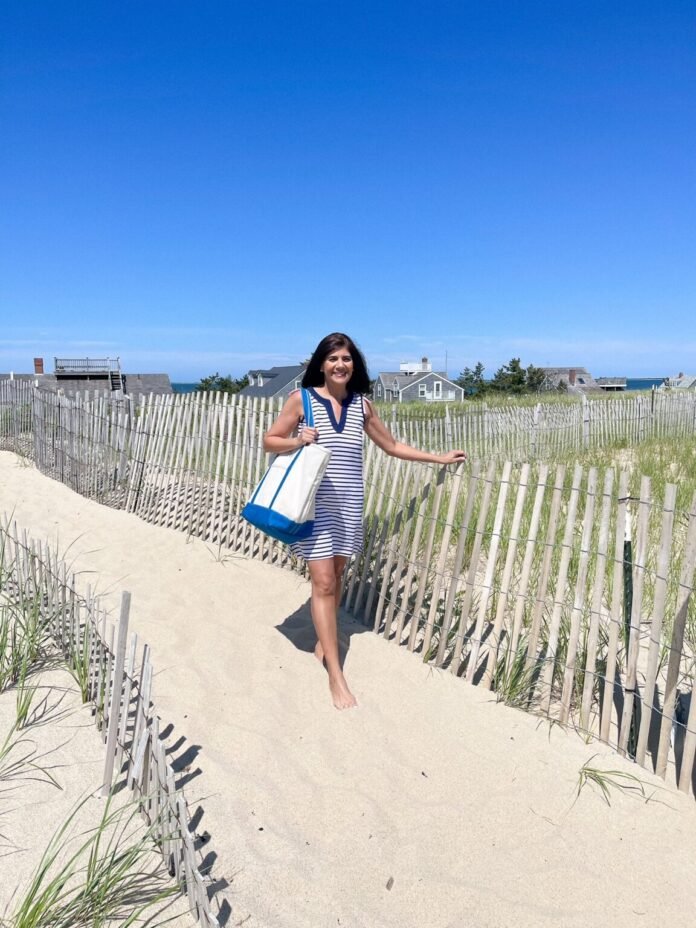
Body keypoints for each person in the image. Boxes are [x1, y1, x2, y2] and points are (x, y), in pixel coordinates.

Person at [264, 333, 466, 710]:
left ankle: (324, 642)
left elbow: (391, 446)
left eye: (346, 358)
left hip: (348, 506)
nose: (340, 365)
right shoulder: (301, 399)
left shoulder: (362, 406)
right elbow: (270, 440)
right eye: (333, 359)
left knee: (337, 575)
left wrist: (438, 458)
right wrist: (297, 440)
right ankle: (335, 674)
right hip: (313, 507)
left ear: (354, 363)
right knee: (323, 582)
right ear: (321, 364)